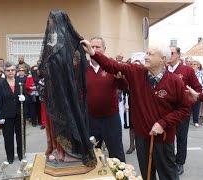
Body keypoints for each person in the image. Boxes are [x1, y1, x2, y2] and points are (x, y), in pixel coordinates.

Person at [81, 40, 191, 180]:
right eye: (146, 53)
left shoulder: (175, 81)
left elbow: (184, 109)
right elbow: (113, 65)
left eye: (150, 54)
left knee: (168, 175)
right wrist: (93, 53)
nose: (146, 57)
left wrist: (163, 123)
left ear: (163, 59)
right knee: (147, 175)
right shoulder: (136, 72)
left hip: (163, 140)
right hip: (142, 138)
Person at [39, 10, 97, 167]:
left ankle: (71, 154)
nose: (49, 25)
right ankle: (61, 151)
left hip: (68, 93)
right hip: (59, 93)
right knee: (60, 122)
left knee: (68, 121)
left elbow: (75, 68)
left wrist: (48, 64)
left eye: (51, 21)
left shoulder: (68, 45)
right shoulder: (62, 44)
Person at [86, 37, 128, 162]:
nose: (94, 49)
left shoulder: (111, 65)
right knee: (92, 156)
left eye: (97, 47)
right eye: (91, 47)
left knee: (116, 155)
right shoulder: (82, 68)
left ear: (104, 49)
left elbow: (125, 87)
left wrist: (121, 78)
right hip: (90, 119)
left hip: (111, 119)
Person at [167, 46, 202, 175]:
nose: (169, 55)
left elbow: (198, 88)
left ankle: (180, 162)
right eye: (168, 53)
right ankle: (169, 160)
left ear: (178, 55)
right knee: (167, 138)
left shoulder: (187, 70)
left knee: (181, 138)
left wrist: (188, 102)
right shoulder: (163, 69)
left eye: (172, 53)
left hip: (182, 112)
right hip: (165, 112)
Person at [0, 62, 26, 164]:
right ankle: (10, 156)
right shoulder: (1, 84)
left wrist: (24, 98)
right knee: (8, 137)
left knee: (20, 136)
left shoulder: (20, 82)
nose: (10, 72)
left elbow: (25, 95)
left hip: (19, 114)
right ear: (5, 72)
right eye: (8, 70)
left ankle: (21, 155)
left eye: (12, 70)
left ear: (15, 71)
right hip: (6, 115)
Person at [190, 60, 203, 127]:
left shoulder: (201, 73)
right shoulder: (189, 72)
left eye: (195, 64)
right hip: (189, 92)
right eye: (192, 64)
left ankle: (195, 121)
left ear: (198, 65)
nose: (193, 66)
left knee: (196, 107)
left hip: (197, 92)